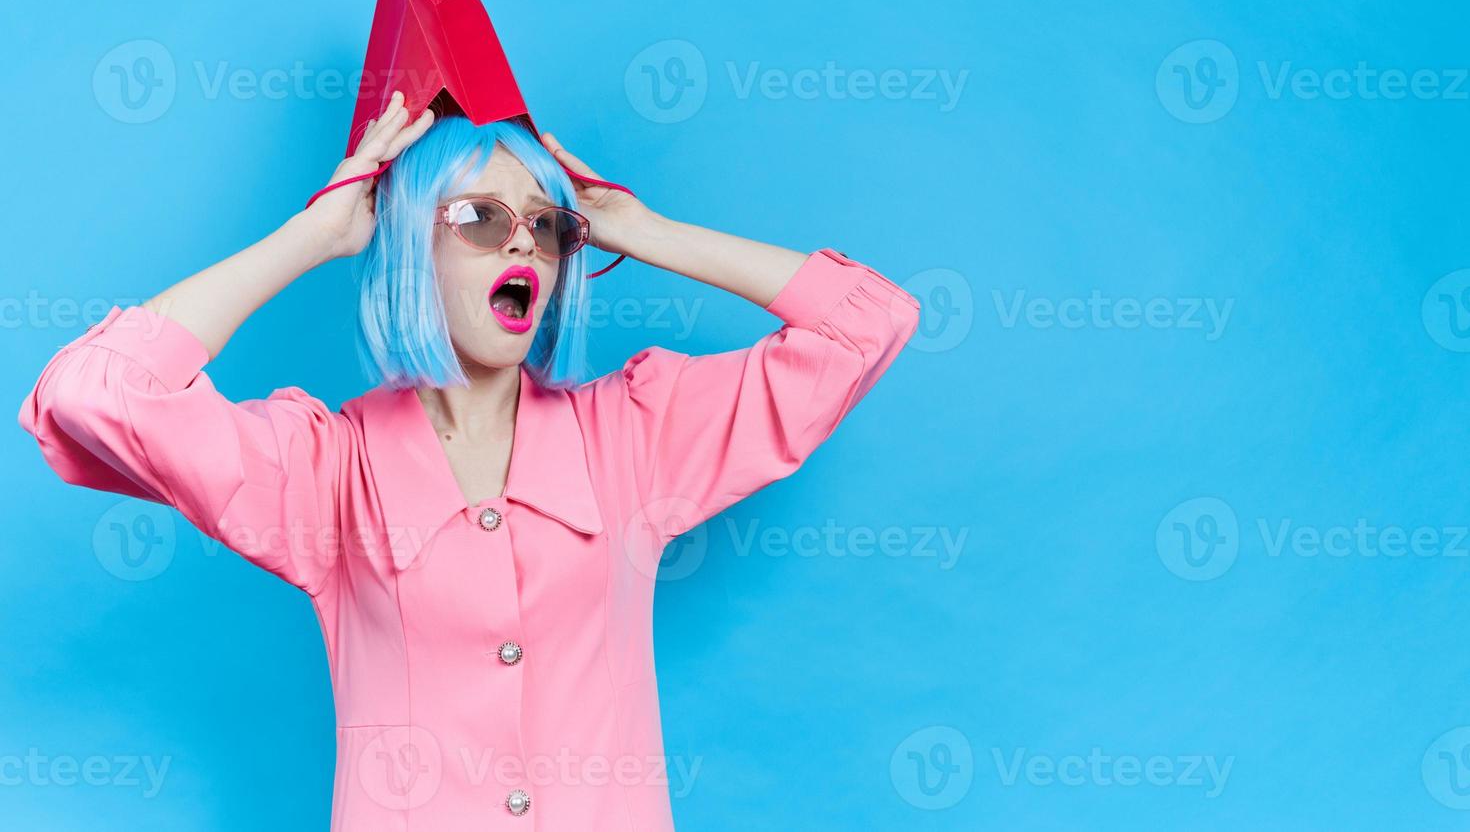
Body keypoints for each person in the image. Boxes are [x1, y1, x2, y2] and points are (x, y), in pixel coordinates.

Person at [18, 90, 922, 830]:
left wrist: (638, 228)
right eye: (479, 219)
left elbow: (869, 322)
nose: (522, 242)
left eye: (544, 224)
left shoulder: (638, 438)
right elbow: (92, 391)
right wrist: (317, 235)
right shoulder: (327, 473)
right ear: (412, 243)